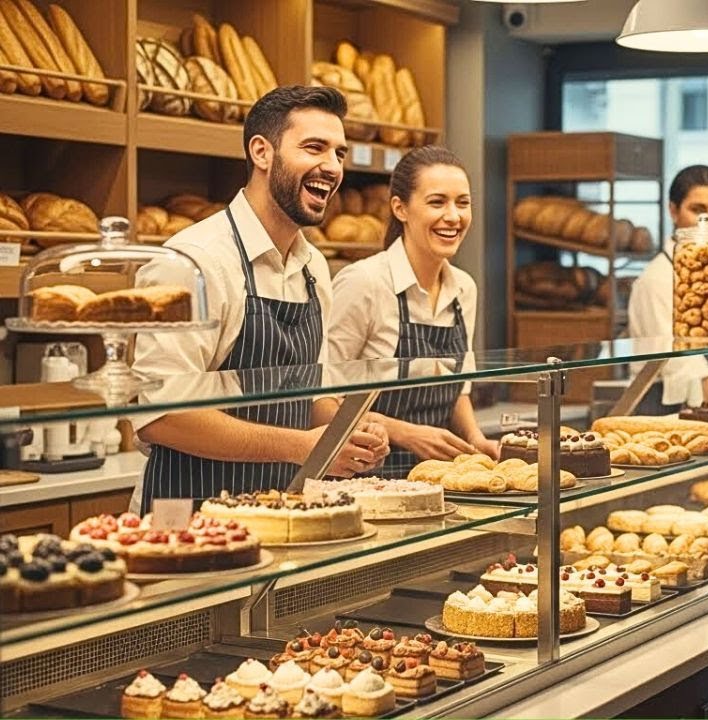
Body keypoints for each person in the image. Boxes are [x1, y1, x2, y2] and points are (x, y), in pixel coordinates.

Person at [133, 86, 389, 512]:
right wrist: (300, 446)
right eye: (314, 148)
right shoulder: (192, 262)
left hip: (278, 514)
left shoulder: (314, 268)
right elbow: (163, 417)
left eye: (339, 154)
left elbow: (308, 394)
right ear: (261, 152)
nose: (331, 167)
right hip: (187, 520)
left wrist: (347, 429)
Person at [325, 146, 495, 471]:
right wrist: (405, 433)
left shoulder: (464, 288)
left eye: (463, 203)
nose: (453, 216)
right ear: (400, 209)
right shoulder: (364, 282)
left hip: (440, 480)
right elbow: (325, 401)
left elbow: (458, 387)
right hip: (366, 481)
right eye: (437, 202)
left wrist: (476, 439)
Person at [627, 165, 708, 414]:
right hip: (663, 414)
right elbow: (681, 363)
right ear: (673, 210)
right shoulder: (656, 279)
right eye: (697, 209)